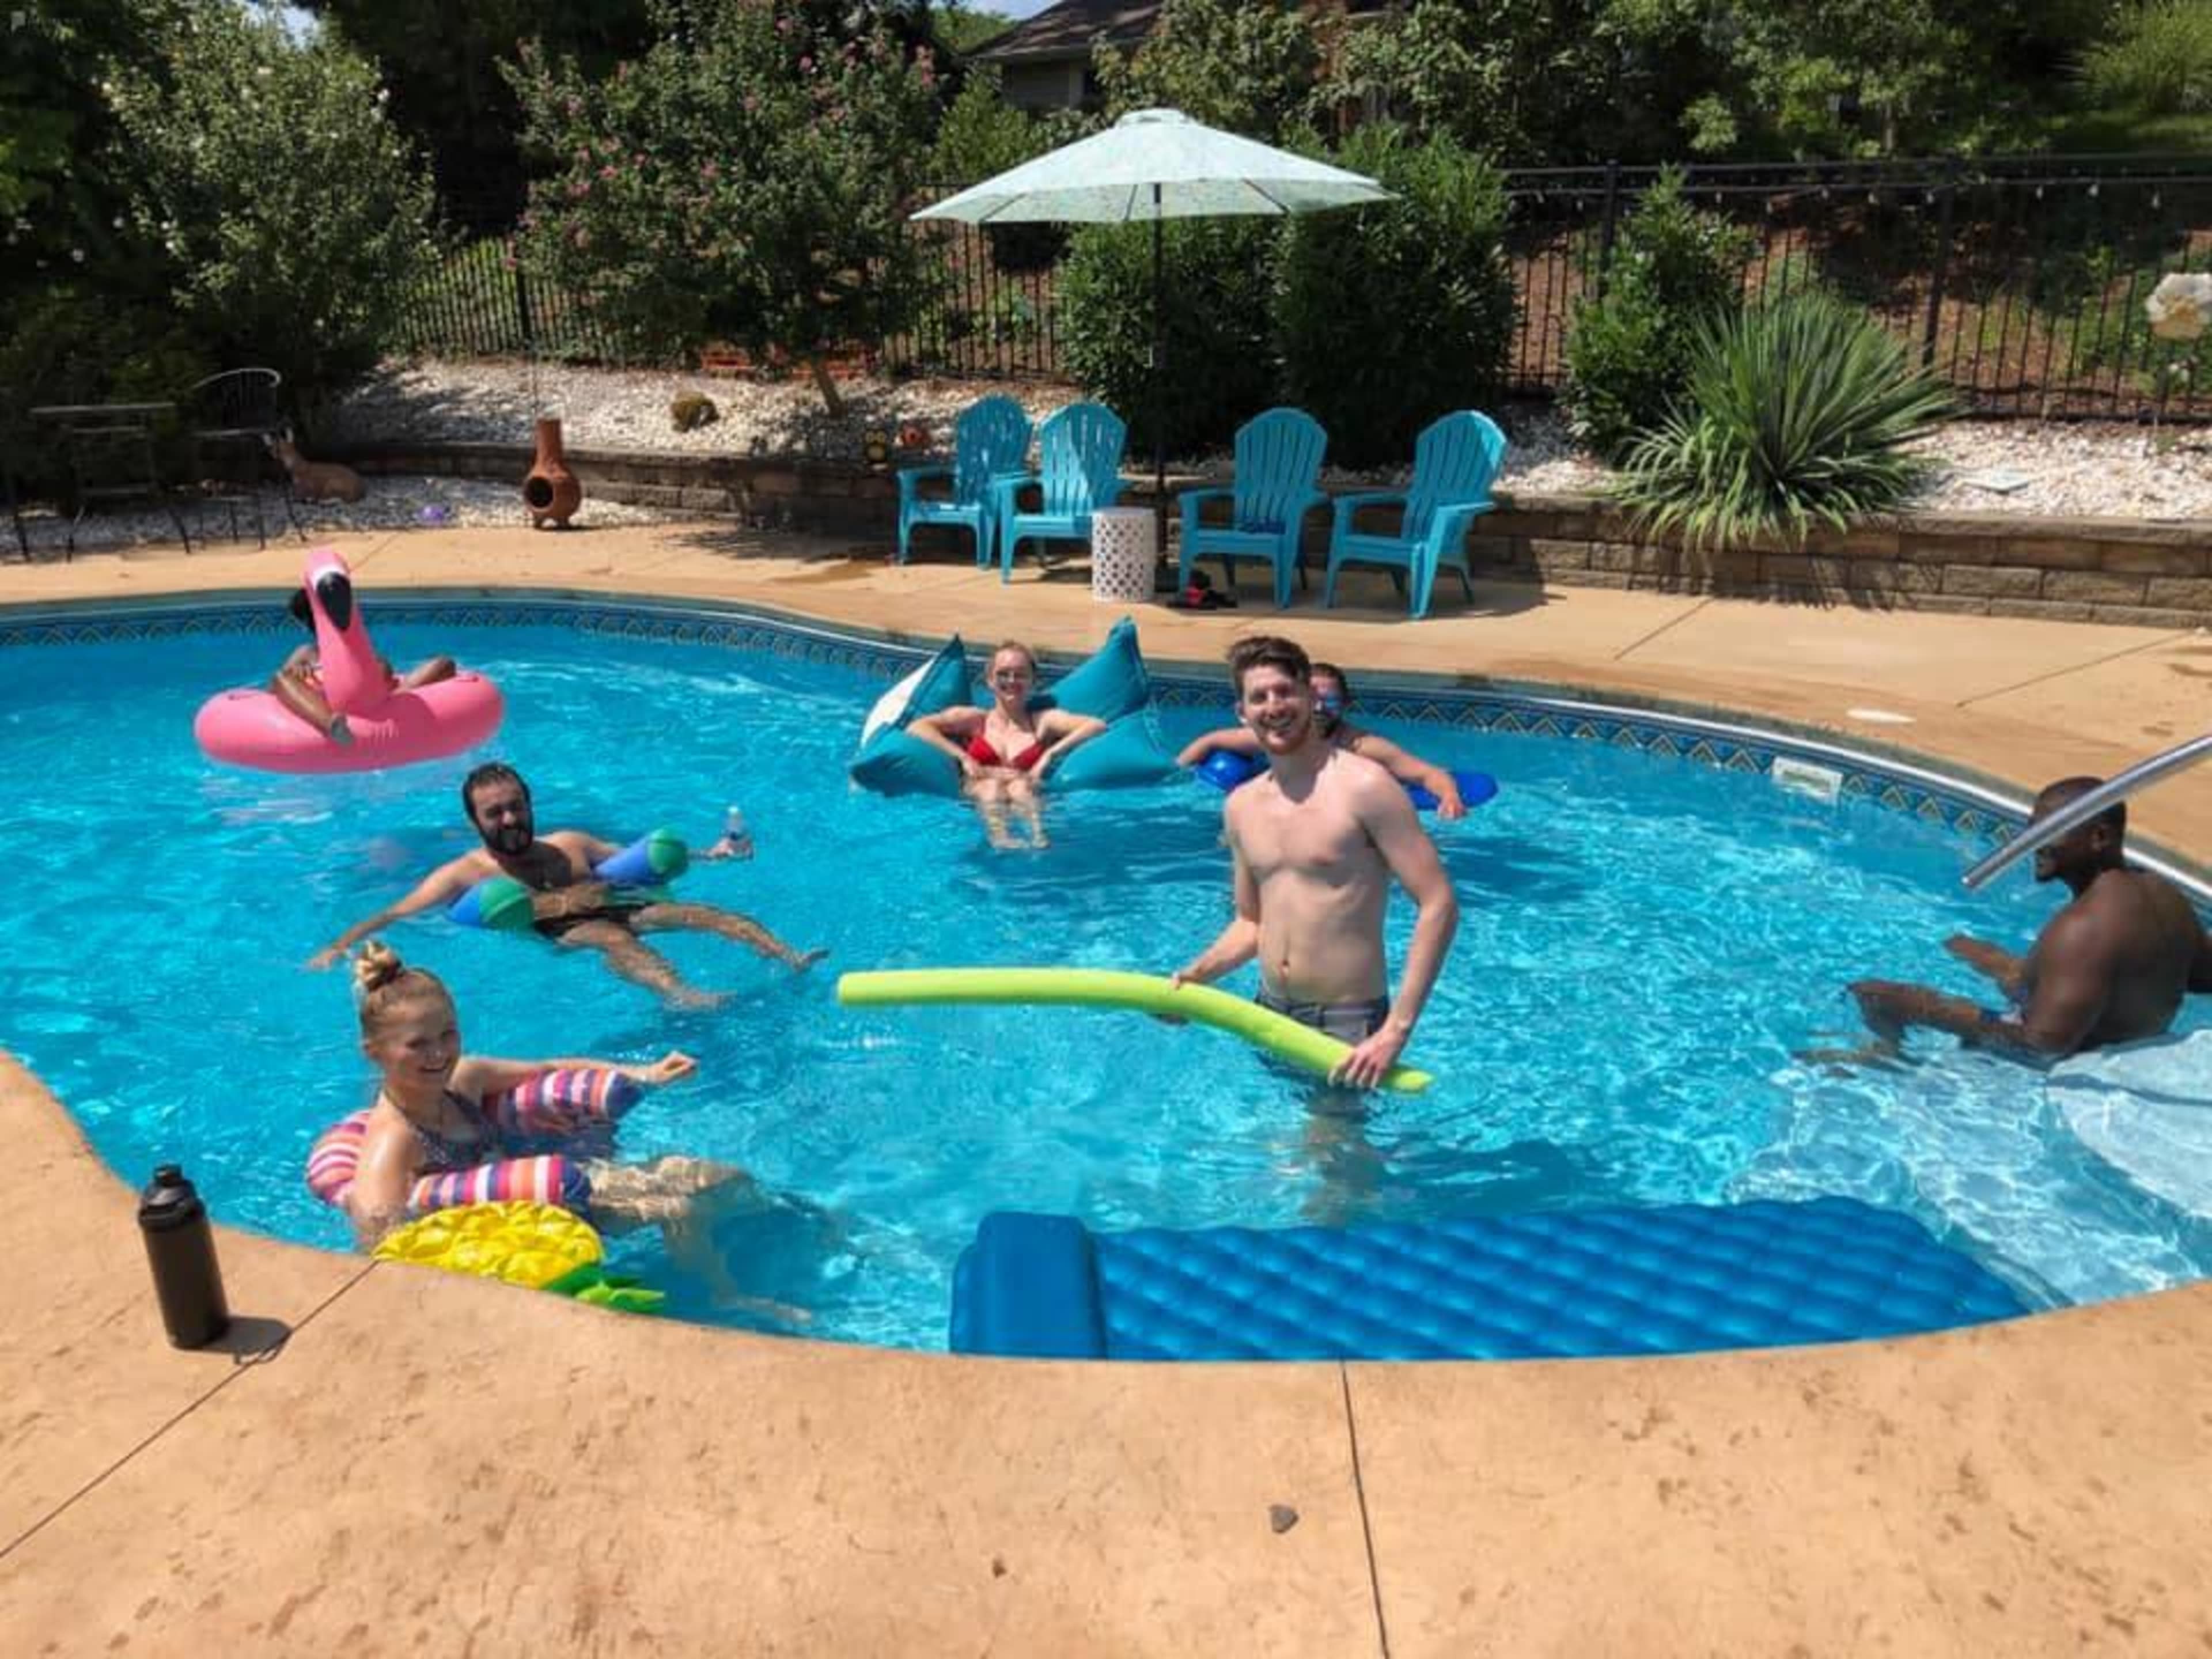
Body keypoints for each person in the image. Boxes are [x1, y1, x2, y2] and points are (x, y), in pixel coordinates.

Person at [341, 941, 806, 1323]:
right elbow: (379, 1248)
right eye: (417, 1044)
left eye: (448, 1034)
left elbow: (549, 1068)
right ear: (373, 1052)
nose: (439, 1053)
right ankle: (726, 1298)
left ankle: (804, 1225)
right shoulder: (393, 1144)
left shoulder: (464, 1079)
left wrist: (643, 1073)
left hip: (558, 1187)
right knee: (676, 1206)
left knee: (719, 1177)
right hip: (524, 1233)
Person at [1169, 635, 1460, 1090]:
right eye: (1259, 697)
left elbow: (1438, 903)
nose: (1274, 706)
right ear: (1241, 713)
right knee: (1270, 1152)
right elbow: (1251, 923)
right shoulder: (1241, 807)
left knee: (1329, 1156)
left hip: (1347, 1023)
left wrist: (1396, 1031)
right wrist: (1197, 977)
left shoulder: (1365, 787)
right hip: (1267, 1010)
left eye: (1285, 691)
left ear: (1309, 696)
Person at [306, 763, 825, 1009]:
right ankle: (681, 995)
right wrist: (339, 946)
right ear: (475, 823)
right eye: (495, 813)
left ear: (530, 805)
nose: (509, 818)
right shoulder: (462, 875)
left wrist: (711, 855)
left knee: (699, 912)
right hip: (556, 931)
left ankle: (788, 957)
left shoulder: (570, 844)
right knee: (609, 939)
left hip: (618, 903)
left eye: (516, 806)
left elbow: (629, 861)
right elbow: (396, 914)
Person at [1847, 777, 2212, 1060]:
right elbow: (2202, 977)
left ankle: (1888, 1058)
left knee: (1877, 994)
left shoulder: (2085, 929)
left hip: (2066, 1060)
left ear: (2099, 837)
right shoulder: (2162, 892)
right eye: (2032, 829)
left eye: (2047, 831)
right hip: (2109, 1026)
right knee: (1970, 949)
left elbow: (2042, 1046)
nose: (2032, 842)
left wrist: (1934, 1009)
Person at [1176, 660, 1473, 820]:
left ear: (1344, 705)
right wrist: (1174, 774)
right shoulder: (1279, 737)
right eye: (1313, 699)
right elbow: (1211, 741)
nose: (1319, 708)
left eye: (1329, 701)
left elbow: (1429, 773)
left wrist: (1450, 798)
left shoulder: (1359, 746)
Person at [905, 641, 1107, 850]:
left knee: (1020, 788)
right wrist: (963, 757)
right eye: (1003, 674)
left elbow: (1096, 725)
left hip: (1026, 792)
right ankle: (999, 837)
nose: (1012, 681)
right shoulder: (974, 720)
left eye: (1020, 674)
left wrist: (1050, 754)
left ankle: (1039, 837)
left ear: (1033, 682)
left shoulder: (1041, 722)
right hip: (981, 791)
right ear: (990, 680)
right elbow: (917, 727)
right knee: (991, 787)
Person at [271, 588, 458, 746]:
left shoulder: (352, 648)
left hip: (372, 700)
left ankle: (391, 711)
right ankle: (331, 725)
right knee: (281, 678)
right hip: (330, 706)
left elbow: (384, 671)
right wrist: (296, 673)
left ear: (304, 624)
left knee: (443, 664)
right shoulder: (306, 654)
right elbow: (274, 695)